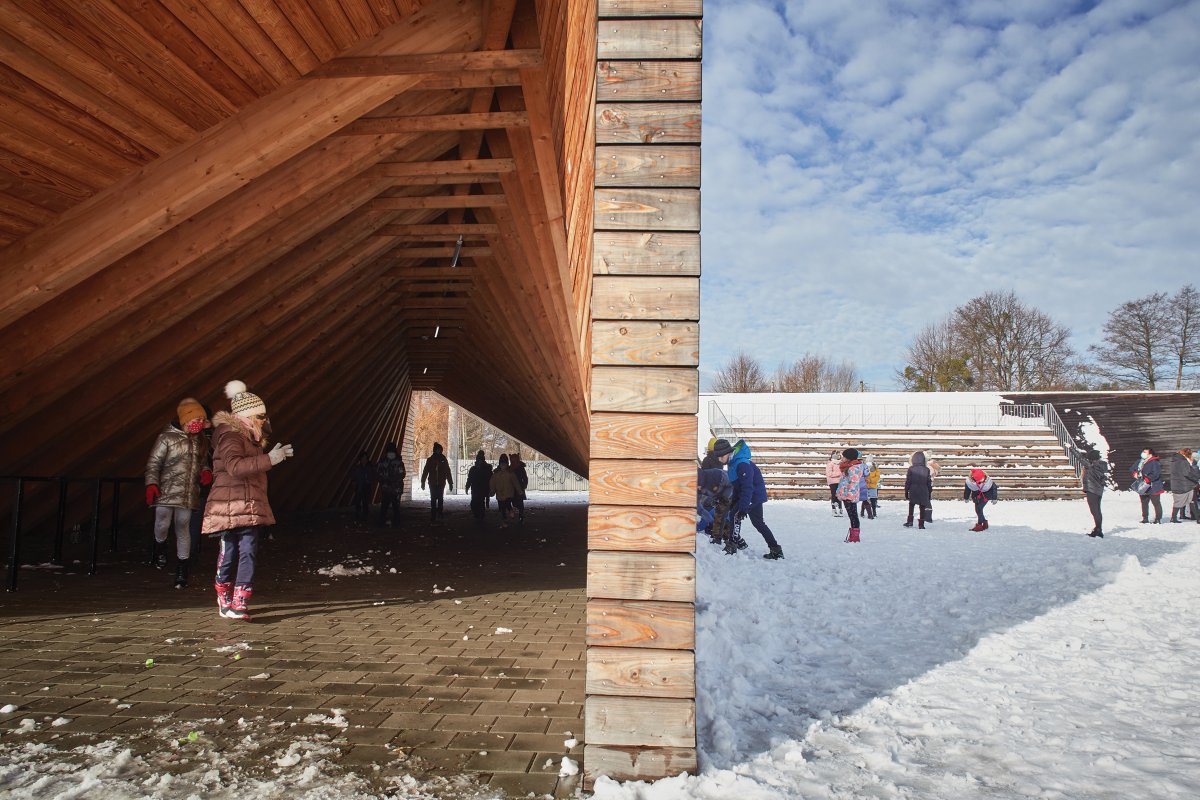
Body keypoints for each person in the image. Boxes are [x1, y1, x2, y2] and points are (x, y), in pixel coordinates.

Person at [201, 380, 294, 621]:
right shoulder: (231, 436)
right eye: (260, 416)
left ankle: (240, 600)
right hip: (228, 505)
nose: (264, 420)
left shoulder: (251, 438)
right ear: (248, 416)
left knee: (249, 551)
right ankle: (224, 595)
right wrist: (269, 460)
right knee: (230, 551)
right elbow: (233, 467)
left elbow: (252, 465)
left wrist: (275, 456)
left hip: (248, 503)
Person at [144, 397, 212, 588]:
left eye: (201, 421)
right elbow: (153, 463)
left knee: (183, 526)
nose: (198, 424)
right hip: (166, 489)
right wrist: (151, 484)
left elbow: (202, 463)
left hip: (187, 491)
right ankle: (160, 546)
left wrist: (206, 471)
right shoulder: (166, 438)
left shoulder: (199, 441)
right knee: (162, 521)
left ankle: (182, 567)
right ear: (184, 419)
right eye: (195, 420)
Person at [721, 438, 783, 559]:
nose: (719, 459)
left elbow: (748, 487)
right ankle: (776, 550)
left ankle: (732, 546)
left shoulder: (742, 464)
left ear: (727, 453)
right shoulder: (732, 463)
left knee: (735, 515)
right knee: (758, 523)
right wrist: (734, 501)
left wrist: (743, 507)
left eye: (720, 457)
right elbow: (738, 486)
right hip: (751, 495)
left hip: (753, 495)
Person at [836, 448, 868, 542]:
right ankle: (853, 535)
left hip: (849, 496)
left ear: (848, 458)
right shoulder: (848, 466)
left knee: (853, 516)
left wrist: (849, 497)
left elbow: (853, 484)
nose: (842, 458)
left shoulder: (854, 468)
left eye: (844, 457)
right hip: (845, 494)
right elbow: (843, 482)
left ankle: (854, 537)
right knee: (852, 516)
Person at [420, 442, 453, 522]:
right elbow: (425, 471)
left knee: (440, 498)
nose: (439, 451)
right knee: (433, 499)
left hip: (441, 483)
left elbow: (447, 471)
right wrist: (423, 482)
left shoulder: (443, 459)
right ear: (435, 450)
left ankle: (440, 513)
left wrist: (450, 482)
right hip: (432, 483)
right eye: (438, 450)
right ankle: (433, 514)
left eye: (440, 450)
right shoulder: (430, 460)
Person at [1130, 448, 1164, 523]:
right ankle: (1145, 518)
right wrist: (1134, 473)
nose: (1143, 453)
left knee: (1156, 503)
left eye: (1145, 452)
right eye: (1143, 451)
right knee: (1144, 502)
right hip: (1142, 485)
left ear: (1150, 454)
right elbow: (1132, 468)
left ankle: (1158, 518)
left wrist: (1147, 479)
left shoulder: (1154, 462)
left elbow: (1156, 474)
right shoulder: (1140, 461)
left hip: (1153, 486)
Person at [376, 442, 406, 526]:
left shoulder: (398, 462)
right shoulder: (383, 462)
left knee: (394, 506)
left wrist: (391, 480)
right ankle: (383, 521)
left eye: (392, 451)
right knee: (385, 506)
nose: (390, 453)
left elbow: (402, 474)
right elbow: (378, 473)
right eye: (389, 451)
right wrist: (384, 481)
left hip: (395, 488)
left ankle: (395, 522)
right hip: (388, 488)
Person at [489, 454, 522, 528]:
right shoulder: (496, 474)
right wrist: (492, 491)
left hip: (509, 493)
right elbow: (492, 483)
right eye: (502, 464)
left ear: (507, 464)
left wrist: (519, 491)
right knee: (502, 508)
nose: (503, 466)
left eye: (505, 464)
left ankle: (510, 510)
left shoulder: (510, 473)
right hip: (499, 494)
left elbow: (515, 482)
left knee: (507, 503)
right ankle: (504, 521)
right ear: (500, 464)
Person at [1168, 448, 1200, 523]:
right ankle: (1198, 518)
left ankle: (1174, 517)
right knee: (1192, 501)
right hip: (1185, 485)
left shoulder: (1174, 461)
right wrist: (1196, 478)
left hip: (1177, 484)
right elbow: (1187, 473)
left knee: (1178, 502)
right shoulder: (1183, 461)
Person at [903, 451, 933, 529]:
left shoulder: (911, 469)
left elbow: (908, 481)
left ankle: (910, 521)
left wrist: (906, 490)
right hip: (924, 489)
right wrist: (929, 492)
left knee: (911, 505)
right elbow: (929, 482)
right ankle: (921, 524)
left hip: (913, 489)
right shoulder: (926, 469)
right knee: (922, 506)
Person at [1081, 454, 1108, 537]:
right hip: (1098, 491)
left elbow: (1079, 458)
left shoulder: (1091, 466)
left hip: (1092, 490)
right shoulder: (1101, 465)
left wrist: (1071, 448)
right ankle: (1098, 529)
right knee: (1097, 511)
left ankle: (1098, 530)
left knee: (1094, 511)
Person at [465, 451, 494, 521]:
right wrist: (467, 486)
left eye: (481, 460)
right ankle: (477, 515)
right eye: (478, 460)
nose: (479, 461)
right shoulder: (473, 469)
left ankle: (480, 516)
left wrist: (491, 489)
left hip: (483, 489)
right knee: (474, 503)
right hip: (475, 489)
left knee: (480, 503)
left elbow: (491, 480)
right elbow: (470, 479)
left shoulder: (487, 469)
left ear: (483, 460)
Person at [350, 450, 374, 522]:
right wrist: (354, 481)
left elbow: (372, 476)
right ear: (360, 459)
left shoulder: (369, 468)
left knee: (365, 502)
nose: (364, 460)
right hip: (359, 486)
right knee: (358, 501)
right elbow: (353, 476)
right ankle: (357, 514)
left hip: (366, 487)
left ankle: (365, 515)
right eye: (362, 458)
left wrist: (368, 481)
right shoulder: (357, 468)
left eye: (365, 458)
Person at [510, 452, 529, 522]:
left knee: (520, 503)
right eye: (512, 460)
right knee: (513, 502)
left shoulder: (521, 468)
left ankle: (521, 515)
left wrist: (524, 485)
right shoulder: (510, 468)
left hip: (519, 488)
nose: (513, 462)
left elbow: (525, 478)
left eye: (514, 460)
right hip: (512, 488)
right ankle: (520, 514)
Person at [825, 451, 843, 517]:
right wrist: (839, 474)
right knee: (834, 495)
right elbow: (829, 473)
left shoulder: (840, 464)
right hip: (832, 482)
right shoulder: (830, 464)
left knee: (839, 495)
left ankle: (840, 508)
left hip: (839, 481)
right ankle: (834, 509)